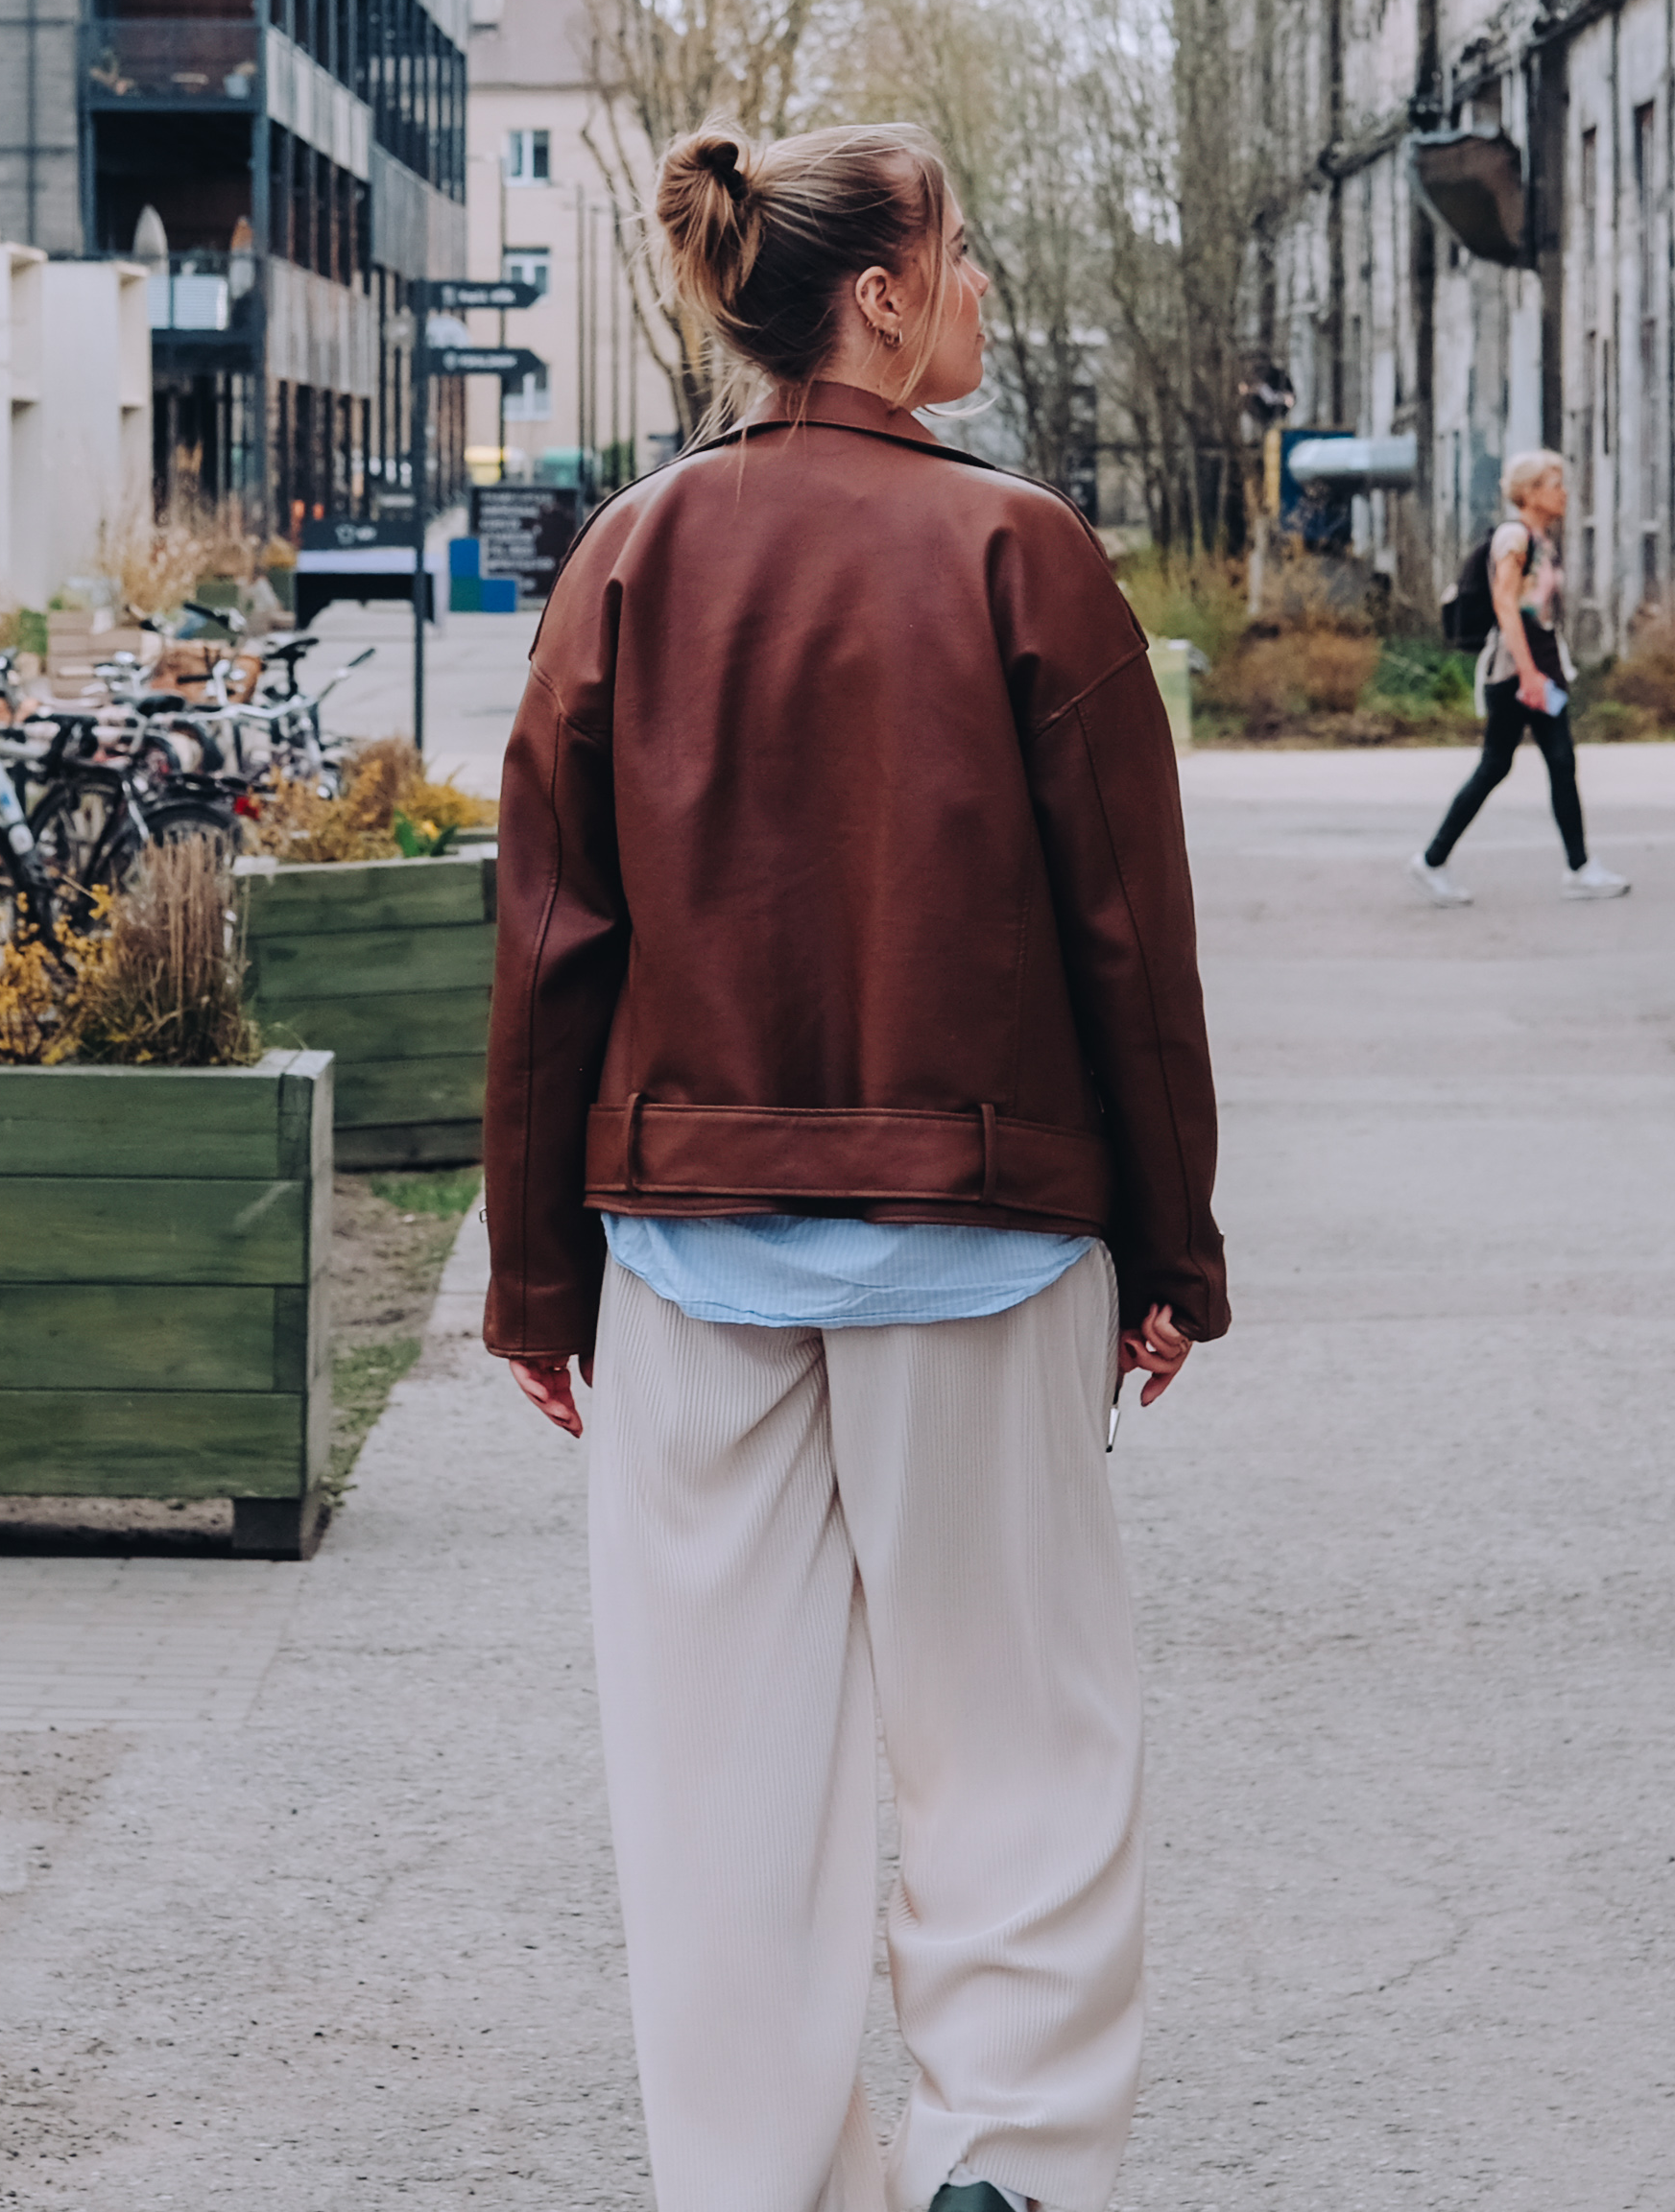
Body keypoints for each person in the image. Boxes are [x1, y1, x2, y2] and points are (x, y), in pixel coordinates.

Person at [491, 120, 1228, 2212]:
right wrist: (1174, 1245)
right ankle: (1007, 2169)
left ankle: (750, 2184)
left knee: (722, 1779)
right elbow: (1128, 942)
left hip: (691, 1258)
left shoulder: (628, 553)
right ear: (882, 296)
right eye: (964, 254)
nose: (981, 286)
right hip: (986, 1252)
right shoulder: (1026, 554)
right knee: (1019, 1747)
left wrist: (539, 1276)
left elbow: (552, 938)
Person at [1418, 446, 1626, 904]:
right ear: (1530, 493)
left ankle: (1577, 867)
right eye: (1555, 484)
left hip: (1540, 661)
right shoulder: (1515, 539)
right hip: (1517, 667)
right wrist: (1529, 674)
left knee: (1545, 762)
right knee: (1507, 764)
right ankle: (1435, 860)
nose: (1564, 493)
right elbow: (1505, 604)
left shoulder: (1540, 540)